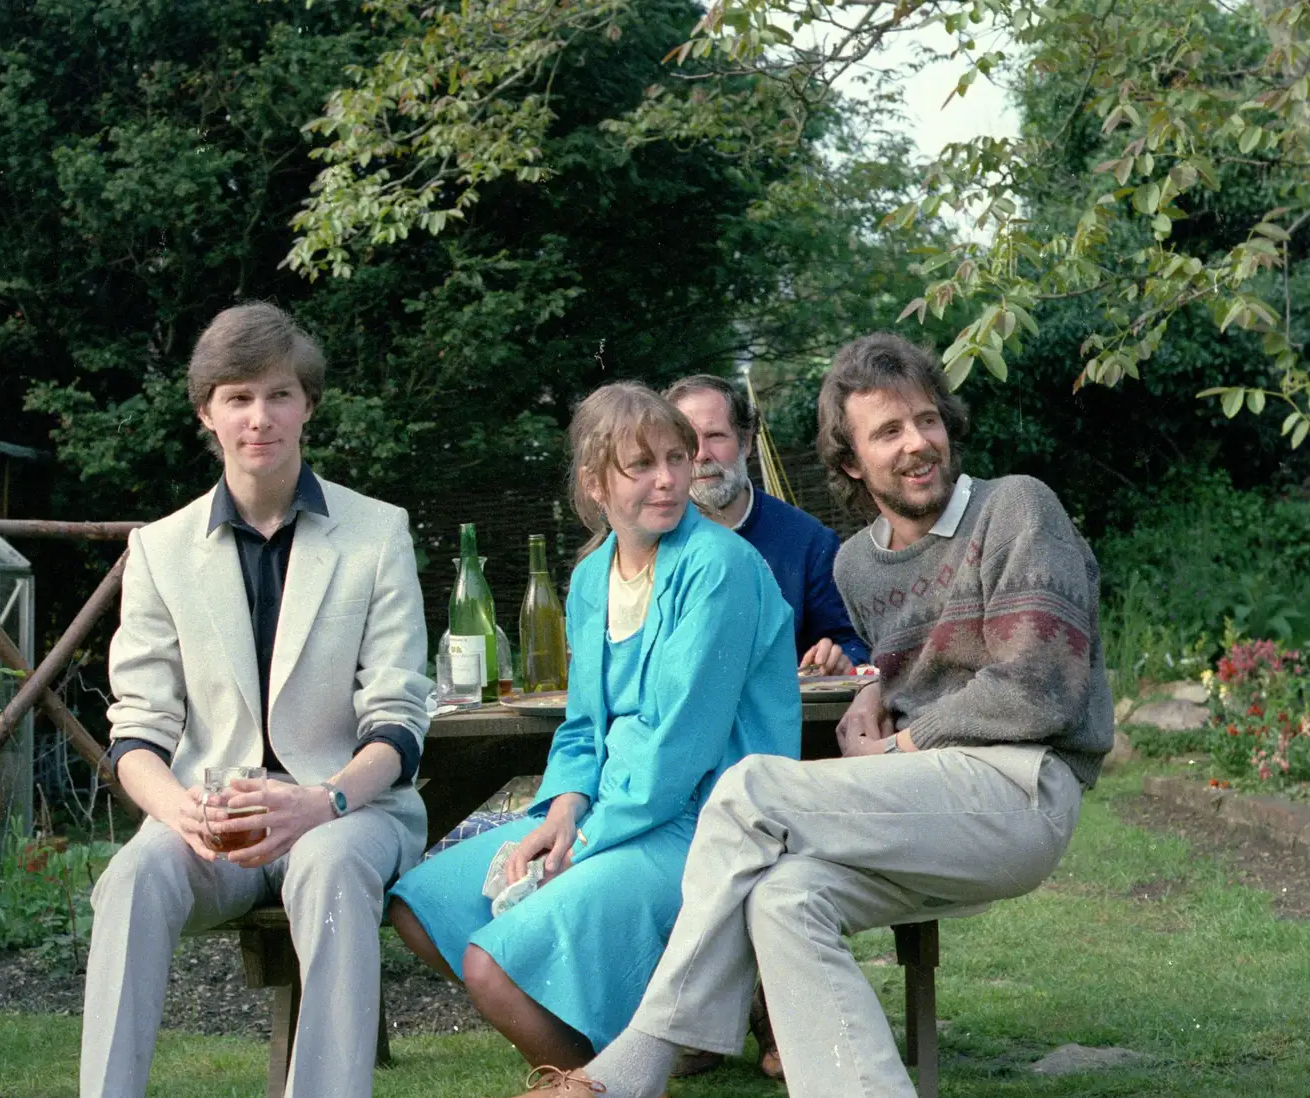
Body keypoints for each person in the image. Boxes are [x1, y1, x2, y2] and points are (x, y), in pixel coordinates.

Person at [507, 332, 1115, 1098]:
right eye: (887, 432)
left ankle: (636, 1063)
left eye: (925, 421)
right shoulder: (857, 562)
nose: (916, 444)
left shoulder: (1017, 506)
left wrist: (898, 745)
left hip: (1023, 787)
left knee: (751, 789)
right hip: (928, 804)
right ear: (852, 462)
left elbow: (1037, 686)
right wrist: (870, 685)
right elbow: (904, 669)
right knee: (783, 896)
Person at [387, 382, 802, 1079]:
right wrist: (563, 810)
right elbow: (582, 726)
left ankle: (608, 1081)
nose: (669, 479)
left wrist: (578, 846)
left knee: (490, 966)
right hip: (612, 813)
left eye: (677, 457)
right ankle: (624, 1066)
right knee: (423, 907)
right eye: (641, 465)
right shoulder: (588, 579)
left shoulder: (718, 567)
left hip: (708, 823)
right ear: (594, 482)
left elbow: (682, 746)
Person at [78, 302, 432, 1098]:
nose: (259, 417)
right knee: (133, 879)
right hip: (211, 821)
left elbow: (401, 718)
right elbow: (137, 729)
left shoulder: (378, 534)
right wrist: (178, 814)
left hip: (348, 813)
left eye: (278, 394)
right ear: (208, 412)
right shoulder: (159, 549)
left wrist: (324, 800)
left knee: (334, 867)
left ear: (307, 402)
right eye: (238, 398)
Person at [665, 374, 867, 674]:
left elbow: (852, 643)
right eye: (686, 442)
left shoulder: (808, 542)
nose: (701, 454)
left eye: (716, 436)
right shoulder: (653, 539)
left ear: (746, 442)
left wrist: (840, 658)